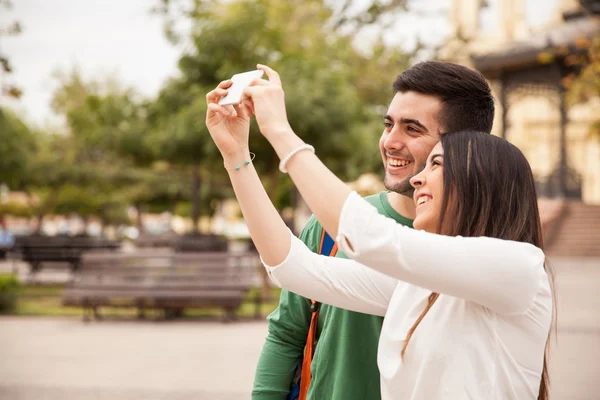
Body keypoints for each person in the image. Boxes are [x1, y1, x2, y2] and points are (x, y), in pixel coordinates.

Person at [205, 65, 554, 399]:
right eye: (388, 124)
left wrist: (280, 132)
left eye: (437, 162)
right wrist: (236, 156)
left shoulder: (518, 268)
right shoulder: (422, 287)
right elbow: (295, 269)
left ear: (477, 172)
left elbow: (373, 240)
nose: (417, 177)